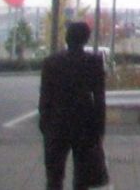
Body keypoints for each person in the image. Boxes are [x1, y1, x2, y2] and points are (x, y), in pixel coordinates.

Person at [38, 20, 107, 190]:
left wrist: (45, 122)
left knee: (54, 177)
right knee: (83, 177)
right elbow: (99, 98)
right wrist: (99, 127)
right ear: (86, 39)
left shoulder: (51, 62)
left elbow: (45, 96)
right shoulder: (94, 62)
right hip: (85, 123)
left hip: (57, 122)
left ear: (67, 38)